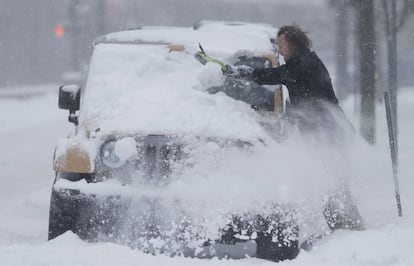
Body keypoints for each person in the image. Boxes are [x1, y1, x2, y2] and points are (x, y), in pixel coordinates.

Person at [224, 25, 364, 233]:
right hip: (324, 130)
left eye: (281, 45)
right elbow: (297, 98)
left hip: (327, 132)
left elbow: (277, 76)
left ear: (293, 44)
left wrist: (244, 73)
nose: (279, 50)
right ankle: (343, 223)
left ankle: (348, 225)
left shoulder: (303, 64)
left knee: (331, 179)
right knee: (329, 179)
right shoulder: (303, 63)